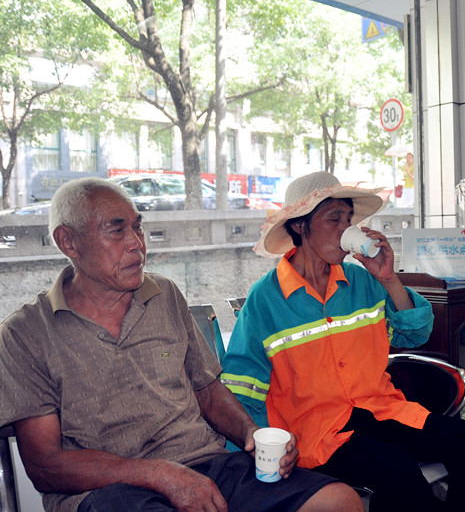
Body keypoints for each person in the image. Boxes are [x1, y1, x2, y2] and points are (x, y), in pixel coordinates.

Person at [0, 177, 361, 512]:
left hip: (207, 464)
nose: (137, 243)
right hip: (109, 489)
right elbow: (46, 466)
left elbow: (207, 391)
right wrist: (161, 474)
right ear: (68, 242)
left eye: (138, 226)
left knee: (339, 501)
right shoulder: (25, 333)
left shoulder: (164, 295)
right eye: (117, 230)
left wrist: (251, 433)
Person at [221, 171, 465, 512]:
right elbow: (242, 386)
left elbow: (416, 332)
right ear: (299, 226)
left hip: (379, 409)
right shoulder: (265, 299)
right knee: (400, 475)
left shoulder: (361, 281)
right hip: (317, 430)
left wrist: (388, 279)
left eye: (348, 219)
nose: (346, 229)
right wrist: (263, 450)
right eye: (334, 219)